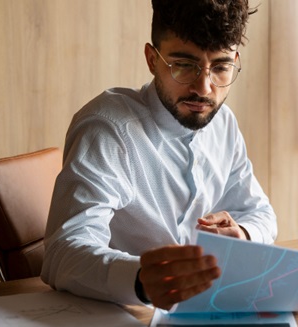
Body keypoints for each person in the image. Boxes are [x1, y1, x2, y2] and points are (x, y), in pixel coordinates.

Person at [40, 0, 277, 311]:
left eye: (220, 67)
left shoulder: (223, 122)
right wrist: (139, 280)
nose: (204, 89)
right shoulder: (108, 129)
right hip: (125, 314)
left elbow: (261, 214)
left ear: (235, 61)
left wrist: (243, 234)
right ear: (152, 59)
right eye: (184, 65)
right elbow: (62, 252)